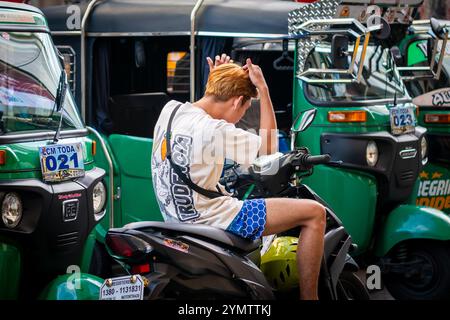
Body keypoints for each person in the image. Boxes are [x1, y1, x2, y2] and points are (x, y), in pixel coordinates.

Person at [151, 54, 326, 300]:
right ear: (236, 102)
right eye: (244, 109)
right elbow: (269, 151)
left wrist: (219, 79)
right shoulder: (215, 130)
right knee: (314, 213)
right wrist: (263, 90)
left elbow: (200, 114)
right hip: (216, 219)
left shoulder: (170, 111)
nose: (241, 117)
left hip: (175, 220)